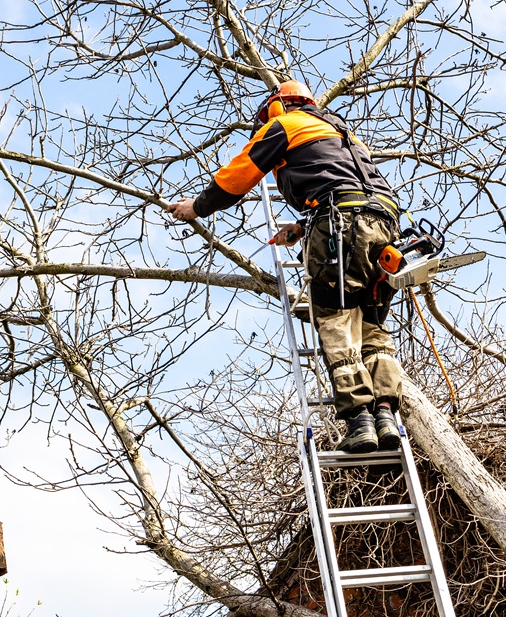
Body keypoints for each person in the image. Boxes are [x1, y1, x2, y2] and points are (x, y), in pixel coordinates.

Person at [167, 80, 406, 453]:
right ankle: (387, 413)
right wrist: (302, 227)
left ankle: (361, 420)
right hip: (385, 227)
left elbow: (237, 178)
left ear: (276, 107)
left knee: (334, 316)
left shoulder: (284, 125)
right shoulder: (343, 133)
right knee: (371, 322)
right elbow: (346, 189)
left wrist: (195, 207)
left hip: (341, 225)